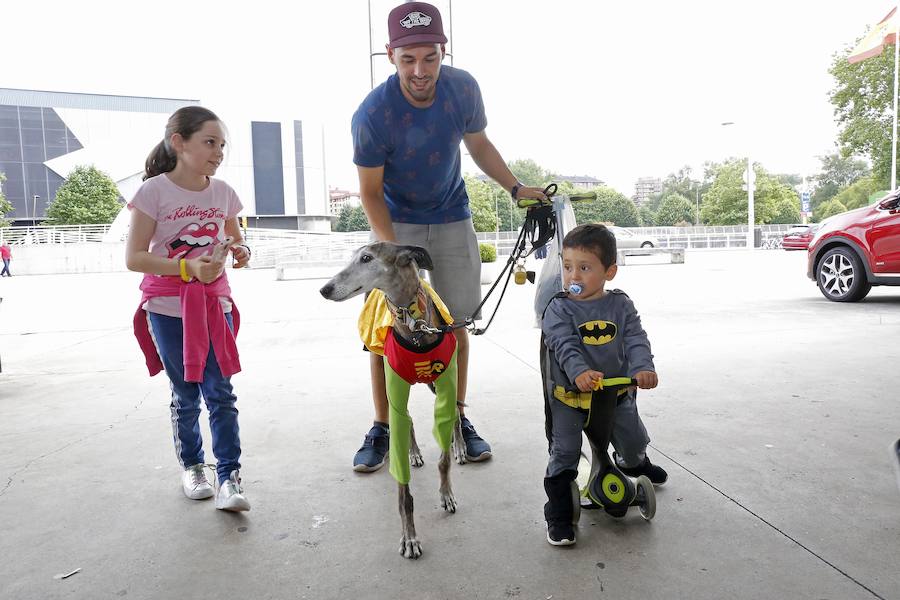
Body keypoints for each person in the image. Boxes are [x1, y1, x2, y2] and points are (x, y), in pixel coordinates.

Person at [349, 1, 548, 472]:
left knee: (456, 324)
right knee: (384, 332)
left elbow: (478, 145)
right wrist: (391, 249)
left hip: (453, 216)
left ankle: (457, 419)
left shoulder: (463, 89)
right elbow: (370, 192)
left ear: (443, 50)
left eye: (430, 58)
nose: (420, 71)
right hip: (395, 223)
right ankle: (383, 425)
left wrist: (516, 188)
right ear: (390, 55)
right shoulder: (373, 114)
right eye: (408, 59)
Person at [125, 106, 252, 512]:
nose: (218, 152)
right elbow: (134, 258)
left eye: (221, 144)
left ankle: (229, 476)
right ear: (178, 143)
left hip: (216, 304)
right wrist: (187, 267)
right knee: (185, 394)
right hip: (166, 308)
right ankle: (194, 466)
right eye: (209, 142)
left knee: (221, 391)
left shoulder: (224, 193)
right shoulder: (153, 192)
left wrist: (241, 251)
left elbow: (235, 237)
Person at [541, 224, 660, 546]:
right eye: (567, 267)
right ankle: (559, 513)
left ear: (610, 271)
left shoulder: (620, 305)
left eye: (584, 268)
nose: (573, 277)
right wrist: (579, 371)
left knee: (633, 440)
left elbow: (636, 338)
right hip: (572, 397)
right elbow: (563, 343)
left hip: (616, 393)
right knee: (564, 451)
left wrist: (643, 367)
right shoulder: (559, 307)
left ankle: (634, 463)